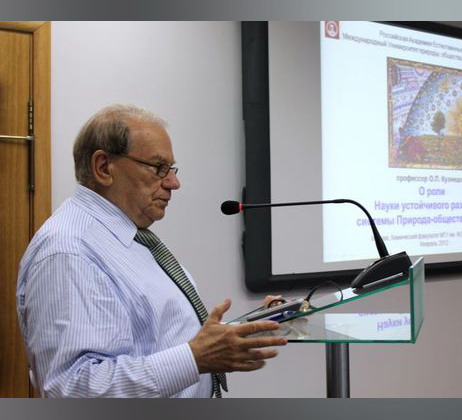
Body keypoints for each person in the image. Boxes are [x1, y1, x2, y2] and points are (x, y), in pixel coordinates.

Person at [16, 104, 288, 397]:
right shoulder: (69, 251)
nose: (174, 183)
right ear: (104, 167)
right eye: (159, 168)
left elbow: (163, 340)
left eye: (171, 169)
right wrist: (195, 359)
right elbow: (73, 389)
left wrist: (245, 329)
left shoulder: (129, 237)